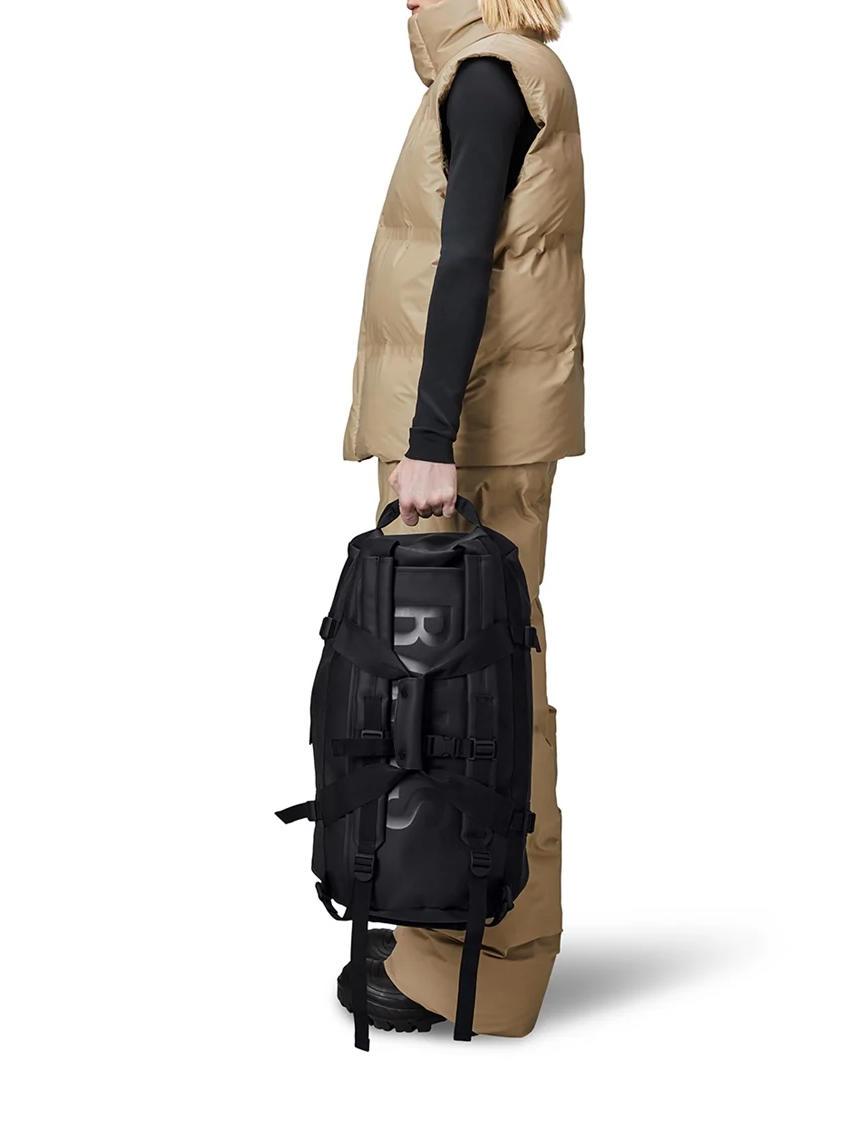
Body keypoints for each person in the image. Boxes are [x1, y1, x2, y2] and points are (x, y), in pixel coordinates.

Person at [339, 0, 585, 1038]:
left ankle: (462, 963)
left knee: (451, 696)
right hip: (486, 423)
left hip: (465, 434)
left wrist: (431, 438)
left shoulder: (488, 77)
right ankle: (462, 939)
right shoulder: (508, 69)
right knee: (484, 684)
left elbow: (464, 257)